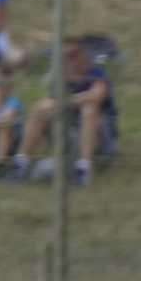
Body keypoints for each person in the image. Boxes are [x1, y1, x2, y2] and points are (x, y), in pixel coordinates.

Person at [20, 35, 111, 184]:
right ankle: (20, 163)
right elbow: (53, 103)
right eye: (67, 56)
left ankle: (84, 168)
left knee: (89, 109)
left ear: (84, 54)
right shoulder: (62, 77)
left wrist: (68, 101)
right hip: (69, 131)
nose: (71, 60)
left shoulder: (97, 73)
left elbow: (96, 96)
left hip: (100, 137)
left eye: (74, 54)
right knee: (42, 107)